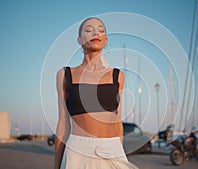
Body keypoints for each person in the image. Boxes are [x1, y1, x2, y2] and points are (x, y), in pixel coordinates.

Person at [54, 17, 138, 169]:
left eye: (100, 30)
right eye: (88, 30)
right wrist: (56, 165)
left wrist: (119, 153)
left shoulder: (117, 75)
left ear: (105, 40)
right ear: (79, 40)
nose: (95, 33)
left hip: (112, 150)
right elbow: (63, 125)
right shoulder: (65, 75)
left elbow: (117, 121)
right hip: (77, 152)